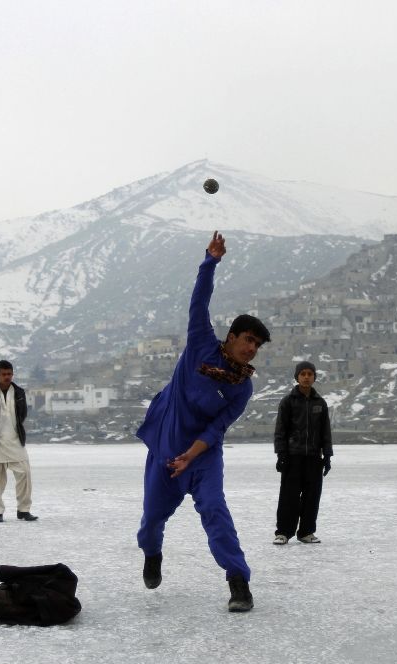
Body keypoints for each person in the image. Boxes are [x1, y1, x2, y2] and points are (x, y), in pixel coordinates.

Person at [135, 231, 270, 613]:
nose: (251, 348)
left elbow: (217, 428)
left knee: (215, 511)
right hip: (166, 447)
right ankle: (152, 554)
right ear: (230, 338)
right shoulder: (200, 344)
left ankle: (238, 581)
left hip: (203, 455)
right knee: (151, 521)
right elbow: (200, 300)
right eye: (247, 340)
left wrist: (192, 457)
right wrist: (211, 261)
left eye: (257, 346)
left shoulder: (242, 388)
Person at [273, 360, 333, 545]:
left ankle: (306, 532)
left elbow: (325, 432)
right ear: (297, 377)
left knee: (312, 497)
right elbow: (280, 431)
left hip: (314, 458)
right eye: (303, 374)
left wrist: (328, 456)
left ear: (314, 377)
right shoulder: (288, 402)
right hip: (293, 457)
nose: (306, 377)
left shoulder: (320, 403)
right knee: (289, 497)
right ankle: (283, 532)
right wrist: (281, 455)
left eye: (310, 374)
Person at [0, 360, 38, 523]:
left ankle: (23, 510)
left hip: (15, 440)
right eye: (3, 374)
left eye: (9, 374)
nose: (7, 377)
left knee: (24, 473)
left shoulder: (19, 393)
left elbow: (22, 414)